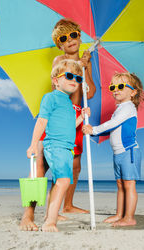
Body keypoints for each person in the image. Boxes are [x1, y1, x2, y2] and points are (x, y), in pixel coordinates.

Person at [25, 59, 90, 232]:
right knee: (64, 181)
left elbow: (70, 127)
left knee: (58, 182)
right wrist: (32, 145)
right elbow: (41, 121)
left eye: (78, 78)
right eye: (69, 76)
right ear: (55, 80)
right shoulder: (51, 97)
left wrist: (81, 118)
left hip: (67, 148)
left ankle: (49, 215)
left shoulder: (69, 104)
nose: (74, 80)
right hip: (55, 145)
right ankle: (50, 222)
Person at [83, 72, 144, 227]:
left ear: (133, 92)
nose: (115, 90)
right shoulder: (119, 108)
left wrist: (94, 130)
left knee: (129, 184)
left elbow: (114, 123)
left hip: (128, 152)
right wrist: (91, 132)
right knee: (120, 184)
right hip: (117, 153)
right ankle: (119, 214)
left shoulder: (129, 107)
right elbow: (111, 129)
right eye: (113, 87)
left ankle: (129, 217)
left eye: (121, 86)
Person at [51, 18, 96, 214]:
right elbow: (58, 88)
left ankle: (68, 205)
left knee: (76, 165)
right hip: (63, 114)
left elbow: (91, 91)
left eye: (73, 35)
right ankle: (53, 207)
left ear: (79, 36)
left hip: (78, 114)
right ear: (59, 45)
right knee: (58, 163)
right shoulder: (59, 61)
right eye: (64, 38)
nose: (70, 39)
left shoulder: (86, 62)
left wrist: (84, 68)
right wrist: (77, 64)